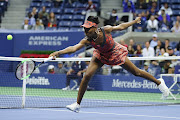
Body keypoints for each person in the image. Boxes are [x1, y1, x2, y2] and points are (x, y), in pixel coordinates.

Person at [49, 16, 169, 112]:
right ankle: (77, 105)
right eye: (84, 28)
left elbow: (121, 26)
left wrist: (134, 21)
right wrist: (58, 53)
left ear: (95, 28)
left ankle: (159, 83)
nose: (85, 30)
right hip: (100, 55)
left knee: (136, 72)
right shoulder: (87, 39)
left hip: (114, 53)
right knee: (86, 76)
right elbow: (74, 48)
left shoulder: (105, 30)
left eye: (87, 29)